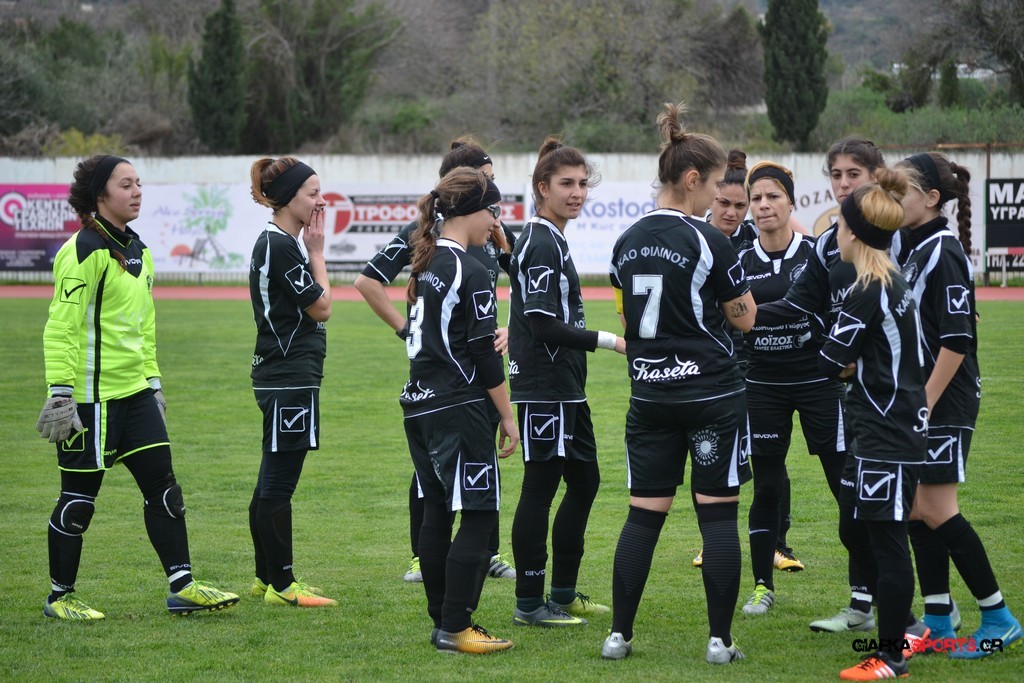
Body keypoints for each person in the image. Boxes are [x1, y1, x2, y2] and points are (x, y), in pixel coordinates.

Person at [36, 154, 239, 620]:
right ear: (99, 195)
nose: (137, 192)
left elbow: (144, 328)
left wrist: (153, 383)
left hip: (136, 396)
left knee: (165, 491)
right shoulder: (84, 251)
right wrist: (61, 391)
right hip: (90, 402)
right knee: (78, 503)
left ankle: (183, 586)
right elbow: (61, 326)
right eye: (125, 184)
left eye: (138, 183)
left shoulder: (139, 252)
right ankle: (60, 597)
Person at [602, 102, 755, 663]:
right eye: (714, 187)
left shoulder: (624, 240)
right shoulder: (710, 239)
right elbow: (744, 318)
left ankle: (619, 636)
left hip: (650, 396)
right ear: (692, 180)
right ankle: (720, 642)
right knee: (718, 516)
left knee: (643, 516)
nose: (717, 198)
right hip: (711, 395)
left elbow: (626, 315)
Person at [354, 137, 517, 584]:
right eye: (485, 180)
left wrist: (510, 327)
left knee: (477, 464)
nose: (493, 192)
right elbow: (367, 282)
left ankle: (484, 553)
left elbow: (529, 284)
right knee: (437, 471)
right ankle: (425, 560)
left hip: (472, 372)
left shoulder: (490, 230)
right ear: (459, 186)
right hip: (452, 376)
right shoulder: (425, 233)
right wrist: (407, 330)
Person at [756, 137, 892, 634]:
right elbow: (796, 304)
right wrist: (738, 315)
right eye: (836, 175)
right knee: (855, 505)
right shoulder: (828, 243)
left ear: (876, 175)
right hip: (845, 390)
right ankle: (861, 604)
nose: (843, 184)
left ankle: (923, 613)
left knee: (892, 507)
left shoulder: (897, 239)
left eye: (853, 173)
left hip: (887, 396)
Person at [892, 152, 1021, 657]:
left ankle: (999, 617)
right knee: (914, 510)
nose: (890, 200)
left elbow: (957, 339)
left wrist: (924, 402)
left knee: (937, 509)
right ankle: (938, 621)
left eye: (899, 191)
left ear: (930, 199)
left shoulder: (943, 251)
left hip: (944, 399)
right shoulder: (912, 244)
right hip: (921, 398)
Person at [400, 166, 520, 654]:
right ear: (474, 211)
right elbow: (483, 354)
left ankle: (443, 619)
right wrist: (507, 415)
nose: (495, 222)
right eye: (493, 211)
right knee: (478, 513)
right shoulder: (470, 270)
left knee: (435, 510)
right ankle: (455, 626)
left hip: (418, 405)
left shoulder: (427, 262)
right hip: (459, 408)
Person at [507, 136, 625, 628]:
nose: (576, 193)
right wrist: (612, 341)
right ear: (543, 188)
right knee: (539, 489)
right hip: (545, 386)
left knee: (585, 481)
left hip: (566, 387)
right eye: (566, 184)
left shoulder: (552, 237)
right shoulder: (540, 240)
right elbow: (541, 324)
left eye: (581, 184)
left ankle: (562, 592)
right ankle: (529, 603)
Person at [821, 170, 926, 680]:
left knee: (887, 542)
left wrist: (847, 364)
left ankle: (891, 656)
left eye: (840, 226)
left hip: (887, 433)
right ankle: (905, 626)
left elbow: (829, 361)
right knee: (859, 527)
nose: (835, 234)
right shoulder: (891, 279)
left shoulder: (868, 289)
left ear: (857, 234)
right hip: (883, 429)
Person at [737, 161, 846, 617]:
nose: (764, 205)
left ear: (791, 201)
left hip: (819, 382)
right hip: (763, 386)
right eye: (756, 198)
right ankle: (762, 587)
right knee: (766, 487)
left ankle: (866, 589)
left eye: (773, 196)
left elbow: (840, 312)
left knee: (844, 483)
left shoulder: (816, 253)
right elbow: (727, 321)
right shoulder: (739, 260)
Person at [696, 150, 802, 574]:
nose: (733, 212)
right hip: (712, 366)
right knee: (712, 454)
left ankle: (777, 543)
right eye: (724, 203)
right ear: (710, 199)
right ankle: (711, 541)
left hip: (756, 364)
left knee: (767, 457)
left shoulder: (752, 240)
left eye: (741, 205)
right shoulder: (695, 238)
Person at [247, 156, 337, 608]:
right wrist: (317, 253)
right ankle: (283, 586)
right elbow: (322, 307)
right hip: (287, 378)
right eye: (313, 193)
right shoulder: (281, 245)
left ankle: (266, 578)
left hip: (283, 375)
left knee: (269, 479)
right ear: (287, 198)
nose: (321, 202)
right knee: (278, 484)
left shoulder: (280, 242)